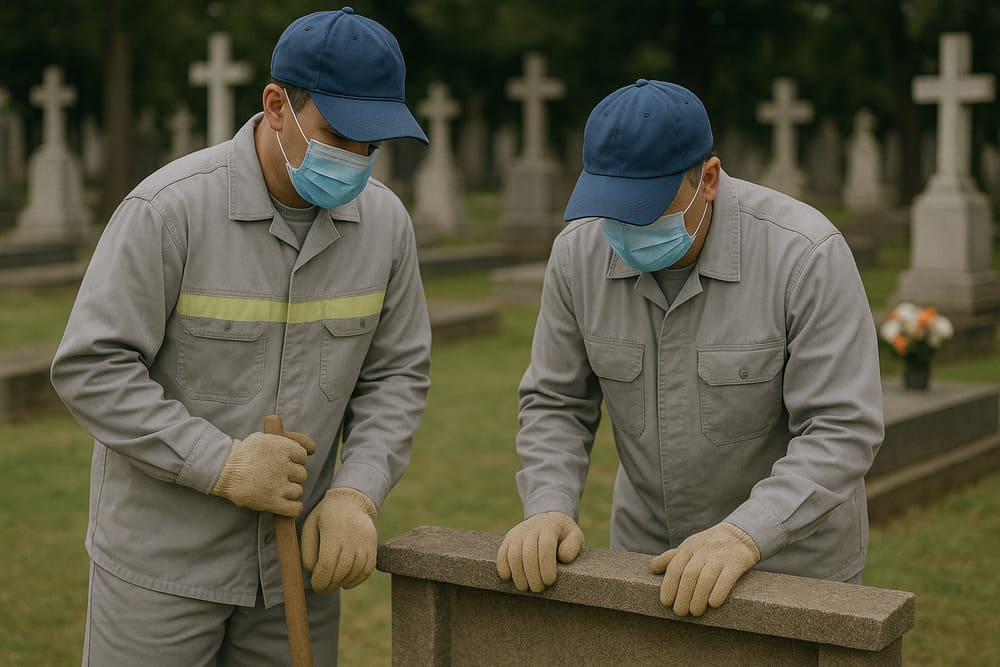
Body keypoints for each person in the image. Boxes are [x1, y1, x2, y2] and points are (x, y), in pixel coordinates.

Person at [51, 7, 431, 664]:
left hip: (295, 576)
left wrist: (356, 491)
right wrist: (221, 464)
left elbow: (396, 375)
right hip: (160, 574)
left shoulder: (387, 227)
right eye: (338, 136)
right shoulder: (168, 212)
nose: (355, 159)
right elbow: (92, 367)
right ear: (277, 105)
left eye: (371, 145)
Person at [496, 79, 884, 617]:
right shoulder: (575, 257)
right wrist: (549, 504)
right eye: (613, 207)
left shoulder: (805, 255)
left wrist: (745, 534)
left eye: (647, 207)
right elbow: (556, 402)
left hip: (793, 566)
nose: (627, 226)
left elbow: (841, 427)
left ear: (708, 179)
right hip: (646, 562)